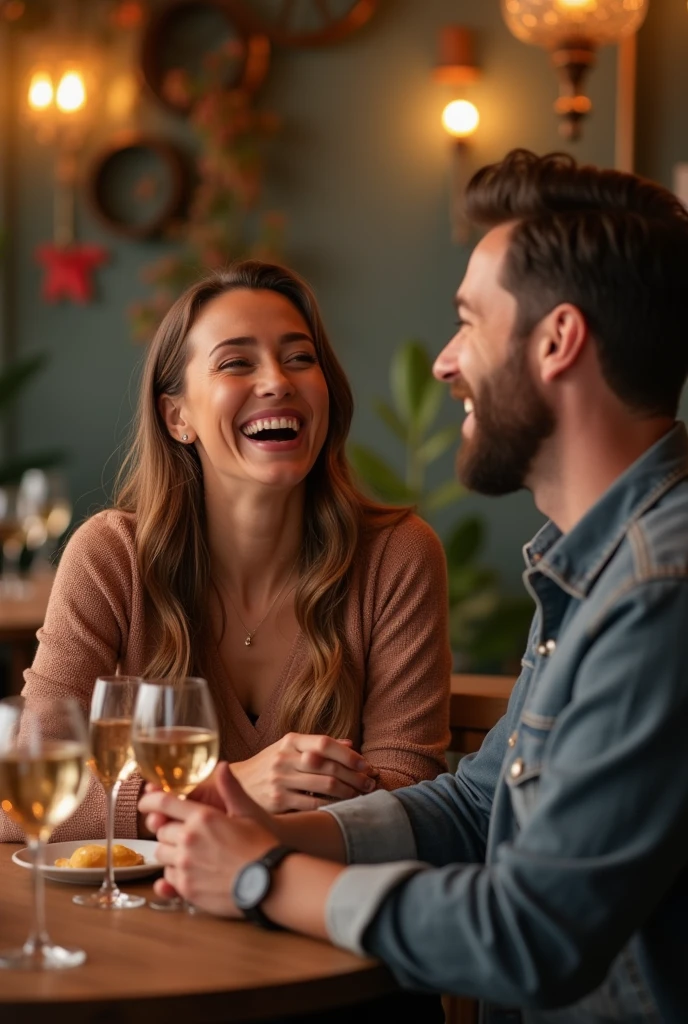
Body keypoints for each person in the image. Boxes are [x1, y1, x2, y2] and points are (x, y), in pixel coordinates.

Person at [140, 150, 688, 1024]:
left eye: (470, 321)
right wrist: (272, 829)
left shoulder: (660, 592)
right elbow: (480, 806)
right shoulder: (597, 568)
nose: (444, 362)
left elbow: (534, 933)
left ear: (557, 342)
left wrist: (261, 876)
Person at [0, 261, 451, 845]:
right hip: (147, 923)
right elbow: (22, 791)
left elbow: (409, 797)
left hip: (311, 917)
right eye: (237, 362)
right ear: (177, 416)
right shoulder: (110, 557)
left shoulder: (398, 557)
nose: (277, 381)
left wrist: (179, 812)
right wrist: (226, 787)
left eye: (300, 358)